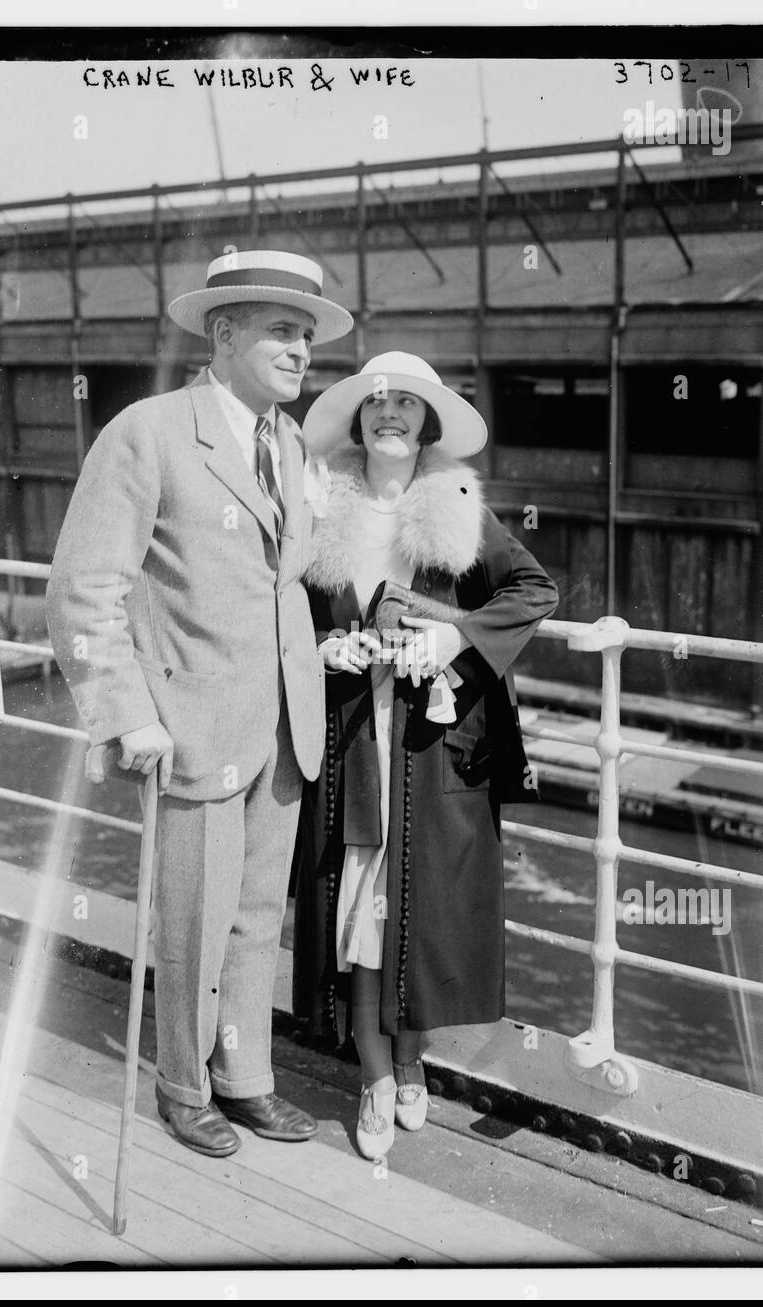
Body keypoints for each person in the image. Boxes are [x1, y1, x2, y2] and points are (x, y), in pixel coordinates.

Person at [46, 249, 353, 1156]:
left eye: (308, 335)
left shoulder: (290, 445)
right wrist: (127, 713)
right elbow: (82, 591)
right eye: (282, 333)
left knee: (259, 916)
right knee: (193, 917)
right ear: (222, 334)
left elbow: (279, 577)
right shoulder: (147, 432)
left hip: (284, 720)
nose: (302, 351)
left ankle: (244, 1076)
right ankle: (183, 1085)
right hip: (190, 725)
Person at [293, 352, 559, 1159]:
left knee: (423, 905)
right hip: (353, 741)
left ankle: (413, 1057)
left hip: (432, 742)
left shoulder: (457, 508)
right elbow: (287, 616)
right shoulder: (321, 510)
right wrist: (322, 649)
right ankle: (375, 1075)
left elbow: (533, 591)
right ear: (359, 423)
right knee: (360, 912)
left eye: (407, 407)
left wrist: (451, 635)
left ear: (428, 424)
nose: (391, 417)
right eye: (378, 406)